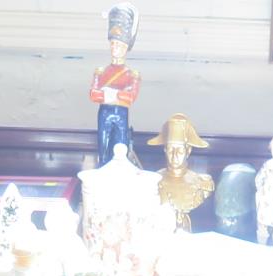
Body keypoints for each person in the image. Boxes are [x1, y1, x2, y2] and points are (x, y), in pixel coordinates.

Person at [90, 4, 141, 166]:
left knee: (121, 151)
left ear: (126, 48)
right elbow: (94, 94)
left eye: (118, 45)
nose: (114, 48)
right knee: (103, 151)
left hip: (121, 113)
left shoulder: (131, 74)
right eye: (112, 44)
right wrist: (118, 94)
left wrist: (109, 94)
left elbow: (131, 97)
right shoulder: (101, 71)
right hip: (104, 112)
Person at [148, 113, 213, 231]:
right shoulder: (153, 181)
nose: (174, 155)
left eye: (180, 150)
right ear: (165, 150)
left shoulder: (201, 183)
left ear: (188, 151)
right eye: (170, 149)